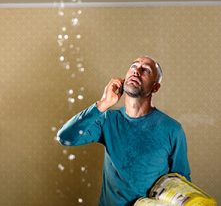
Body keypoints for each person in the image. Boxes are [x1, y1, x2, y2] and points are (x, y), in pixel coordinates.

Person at [57, 55, 191, 206]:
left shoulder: (172, 130)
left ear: (155, 87)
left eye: (145, 70)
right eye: (133, 66)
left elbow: (182, 184)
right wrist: (104, 103)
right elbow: (66, 137)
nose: (136, 71)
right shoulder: (107, 120)